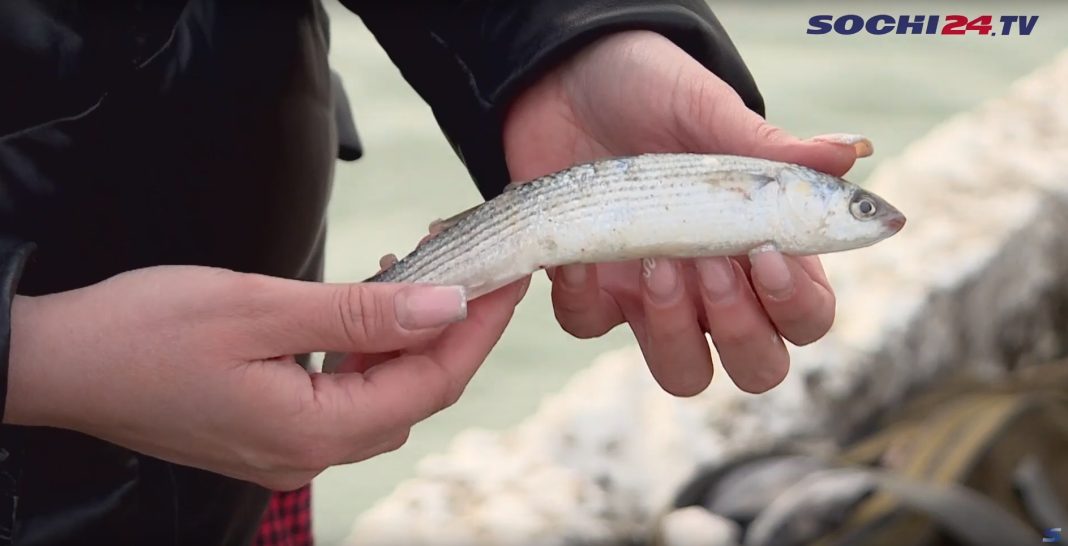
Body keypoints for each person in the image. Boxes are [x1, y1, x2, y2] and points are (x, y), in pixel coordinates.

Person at [0, 1, 860, 545]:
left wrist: (560, 32)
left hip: (230, 483)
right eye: (854, 207)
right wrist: (27, 356)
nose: (872, 218)